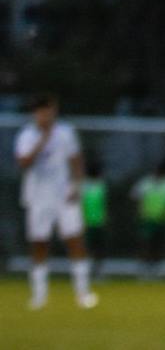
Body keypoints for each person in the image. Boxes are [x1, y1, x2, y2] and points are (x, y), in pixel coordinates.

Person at [13, 93, 99, 310]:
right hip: (38, 197)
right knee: (39, 243)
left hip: (64, 195)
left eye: (49, 110)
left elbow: (76, 160)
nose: (46, 115)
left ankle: (83, 292)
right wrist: (42, 140)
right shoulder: (27, 136)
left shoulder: (65, 132)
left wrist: (77, 186)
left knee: (75, 240)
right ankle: (39, 295)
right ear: (35, 113)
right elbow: (23, 162)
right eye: (42, 111)